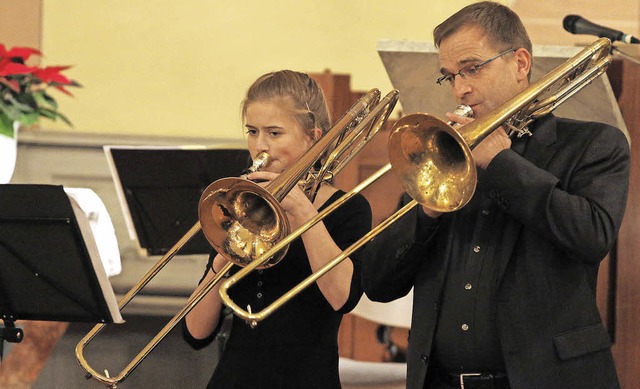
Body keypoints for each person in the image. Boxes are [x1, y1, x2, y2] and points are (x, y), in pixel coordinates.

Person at [362, 2, 630, 389]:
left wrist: (501, 164)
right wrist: (426, 213)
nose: (461, 89)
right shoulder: (443, 157)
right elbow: (380, 283)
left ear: (521, 63)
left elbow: (591, 236)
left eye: (472, 68)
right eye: (450, 77)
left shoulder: (593, 144)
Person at [182, 70, 372, 389]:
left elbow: (343, 298)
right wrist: (223, 256)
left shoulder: (348, 210)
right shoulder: (240, 203)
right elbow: (195, 333)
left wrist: (301, 210)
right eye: (252, 131)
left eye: (274, 133)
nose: (260, 146)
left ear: (313, 136)